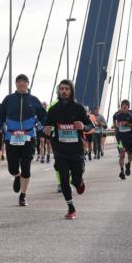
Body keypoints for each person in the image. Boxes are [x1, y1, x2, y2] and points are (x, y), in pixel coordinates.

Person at [0, 74, 47, 207]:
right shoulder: (9, 99)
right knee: (12, 167)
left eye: (24, 82)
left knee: (26, 167)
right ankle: (16, 176)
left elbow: (43, 116)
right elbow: (1, 116)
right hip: (11, 137)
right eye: (19, 82)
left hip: (29, 137)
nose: (22, 84)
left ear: (28, 84)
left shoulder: (34, 100)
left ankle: (23, 195)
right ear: (16, 84)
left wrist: (49, 127)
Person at [45, 79, 91, 219]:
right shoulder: (53, 110)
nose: (64, 91)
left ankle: (79, 182)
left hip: (76, 150)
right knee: (64, 179)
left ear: (71, 91)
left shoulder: (79, 108)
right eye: (62, 88)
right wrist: (46, 130)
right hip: (60, 150)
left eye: (67, 89)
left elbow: (90, 126)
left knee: (76, 180)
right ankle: (71, 208)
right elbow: (47, 128)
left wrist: (83, 127)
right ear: (58, 91)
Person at [112, 99, 132, 180]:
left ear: (128, 107)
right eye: (122, 107)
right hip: (120, 138)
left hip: (130, 138)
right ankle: (122, 171)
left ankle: (128, 165)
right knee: (122, 154)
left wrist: (127, 124)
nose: (123, 109)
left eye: (125, 107)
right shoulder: (117, 114)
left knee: (130, 155)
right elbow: (114, 119)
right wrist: (116, 128)